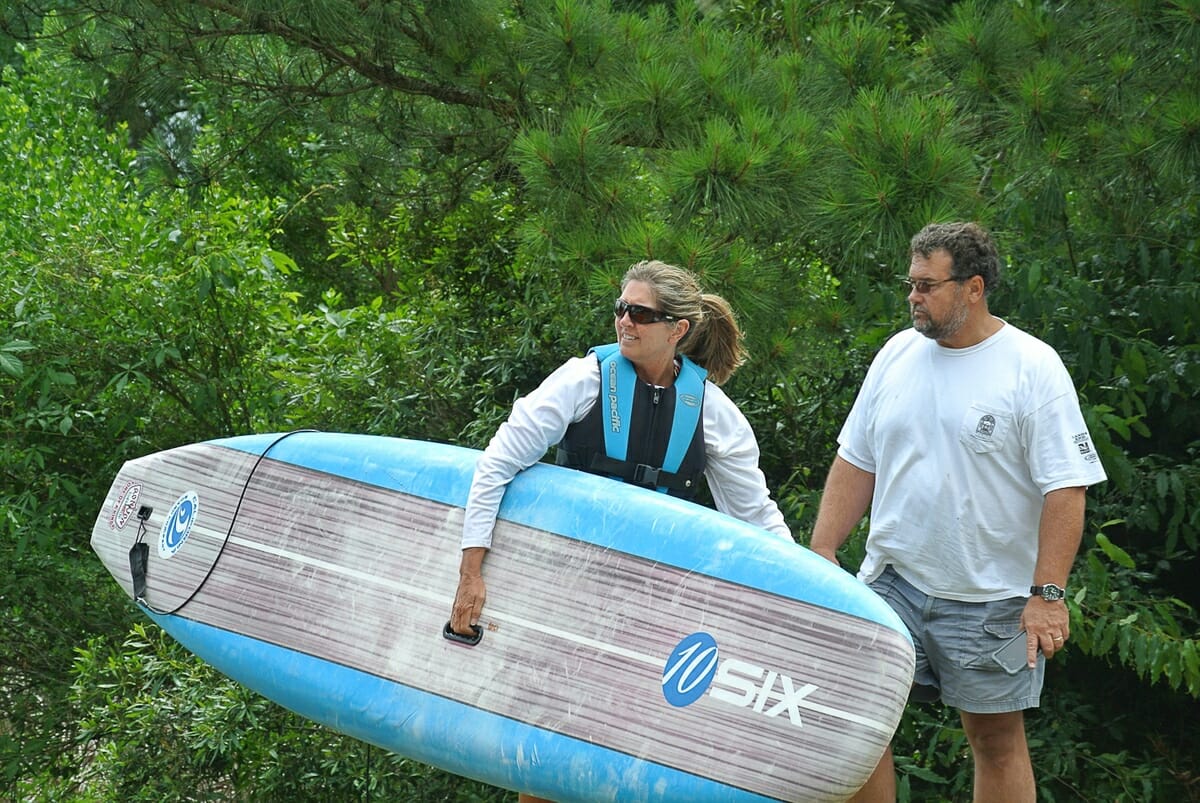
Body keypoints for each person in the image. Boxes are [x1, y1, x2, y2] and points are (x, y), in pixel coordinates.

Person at [448, 259, 793, 803]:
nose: (625, 321)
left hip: (652, 607)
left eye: (641, 313)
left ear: (677, 330)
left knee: (625, 752)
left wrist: (804, 596)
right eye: (621, 308)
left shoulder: (713, 412)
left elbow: (757, 519)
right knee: (547, 752)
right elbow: (495, 465)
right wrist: (471, 572)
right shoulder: (583, 379)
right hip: (566, 589)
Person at [809, 222, 1107, 803]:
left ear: (973, 288)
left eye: (927, 285)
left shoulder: (1031, 366)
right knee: (854, 719)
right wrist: (822, 550)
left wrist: (1048, 595)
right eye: (910, 284)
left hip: (992, 598)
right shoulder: (897, 353)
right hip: (892, 581)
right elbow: (856, 458)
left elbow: (1066, 489)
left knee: (994, 740)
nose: (913, 297)